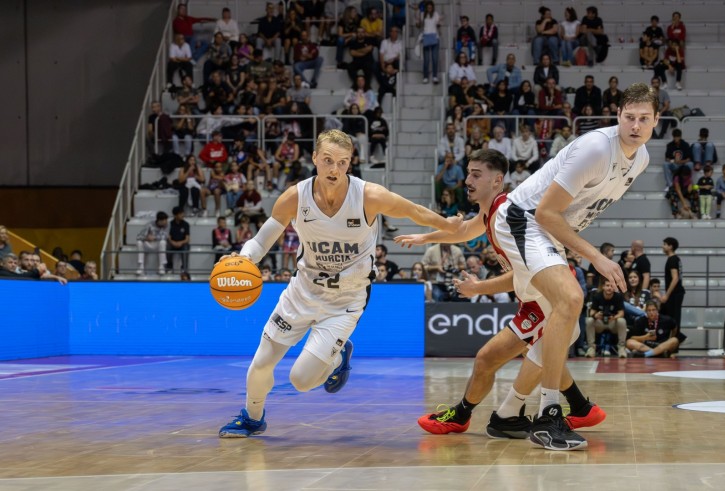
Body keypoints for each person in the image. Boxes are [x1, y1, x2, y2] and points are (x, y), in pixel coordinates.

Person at [450, 83, 656, 450]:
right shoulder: (596, 148)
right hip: (523, 220)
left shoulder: (640, 159)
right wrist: (595, 255)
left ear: (656, 121)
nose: (636, 126)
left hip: (551, 233)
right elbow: (546, 212)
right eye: (629, 118)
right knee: (570, 298)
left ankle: (508, 415)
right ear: (618, 117)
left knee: (563, 328)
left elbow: (569, 214)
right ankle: (549, 414)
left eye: (644, 119)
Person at [218, 130, 461, 438]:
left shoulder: (368, 195)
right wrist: (242, 259)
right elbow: (263, 238)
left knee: (301, 380)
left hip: (346, 299)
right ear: (315, 158)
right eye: (328, 161)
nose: (334, 169)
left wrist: (448, 223)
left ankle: (338, 354)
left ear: (350, 163)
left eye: (342, 162)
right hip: (302, 292)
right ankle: (252, 418)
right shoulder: (296, 196)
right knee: (260, 364)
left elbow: (414, 211)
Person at [395, 149, 605, 442]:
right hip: (532, 303)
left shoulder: (506, 213)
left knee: (531, 356)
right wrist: (425, 238)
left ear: (497, 181)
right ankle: (580, 406)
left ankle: (490, 415)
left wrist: (478, 288)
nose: (468, 179)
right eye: (468, 172)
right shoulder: (492, 212)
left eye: (476, 174)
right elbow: (464, 230)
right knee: (487, 359)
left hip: (547, 304)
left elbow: (524, 271)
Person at [583, 277, 627, 357]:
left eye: (611, 286)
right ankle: (591, 348)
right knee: (589, 320)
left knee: (622, 321)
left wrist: (614, 317)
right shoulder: (597, 296)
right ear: (603, 286)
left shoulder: (618, 297)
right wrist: (596, 315)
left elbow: (621, 313)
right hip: (600, 322)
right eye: (607, 285)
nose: (609, 288)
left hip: (612, 322)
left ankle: (621, 348)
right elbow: (592, 312)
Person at [658, 237, 685, 329]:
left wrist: (667, 295)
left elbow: (675, 278)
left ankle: (675, 338)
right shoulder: (675, 259)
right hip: (676, 293)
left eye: (665, 244)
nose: (663, 246)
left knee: (674, 317)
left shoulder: (672, 260)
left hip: (675, 294)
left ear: (670, 246)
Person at [136, 211, 169, 276]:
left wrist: (154, 237)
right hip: (148, 244)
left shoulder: (167, 225)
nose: (166, 222)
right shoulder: (149, 224)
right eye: (164, 220)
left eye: (166, 220)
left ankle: (161, 267)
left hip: (158, 245)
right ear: (159, 220)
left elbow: (165, 236)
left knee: (163, 242)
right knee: (139, 242)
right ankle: (141, 266)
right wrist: (146, 238)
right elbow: (138, 236)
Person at [420, 0, 441, 84]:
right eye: (428, 7)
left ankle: (435, 76)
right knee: (426, 59)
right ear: (426, 8)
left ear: (432, 8)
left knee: (435, 59)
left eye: (430, 7)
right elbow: (419, 25)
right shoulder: (422, 14)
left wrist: (439, 24)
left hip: (435, 37)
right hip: (426, 37)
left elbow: (438, 24)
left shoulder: (436, 14)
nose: (429, 9)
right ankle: (425, 76)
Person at [166, 206, 191, 273]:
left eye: (183, 213)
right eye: (180, 214)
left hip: (182, 243)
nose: (183, 215)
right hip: (172, 243)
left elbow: (187, 239)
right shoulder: (170, 224)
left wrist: (180, 243)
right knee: (167, 246)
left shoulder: (186, 224)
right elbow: (168, 237)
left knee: (186, 247)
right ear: (175, 215)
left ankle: (184, 268)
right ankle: (169, 266)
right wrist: (173, 242)